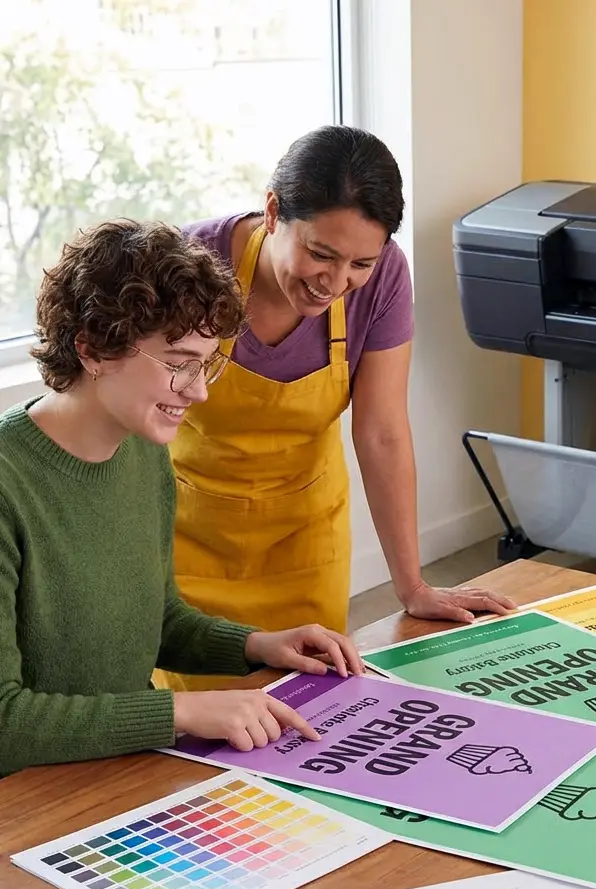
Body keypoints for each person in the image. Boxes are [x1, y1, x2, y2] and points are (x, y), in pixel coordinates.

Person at [155, 125, 514, 694]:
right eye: (320, 254)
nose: (336, 283)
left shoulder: (387, 277)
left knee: (307, 710)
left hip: (303, 536)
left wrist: (413, 586)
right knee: (196, 729)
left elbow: (382, 434)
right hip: (183, 536)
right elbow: (127, 414)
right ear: (273, 211)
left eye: (359, 264)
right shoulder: (190, 260)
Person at [0, 219, 364, 779]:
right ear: (93, 350)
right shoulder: (8, 486)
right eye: (177, 365)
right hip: (27, 802)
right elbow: (6, 723)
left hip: (116, 772)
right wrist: (183, 710)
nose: (199, 391)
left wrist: (259, 646)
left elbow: (157, 620)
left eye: (206, 363)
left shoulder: (143, 452)